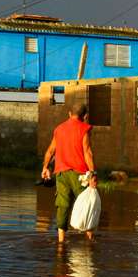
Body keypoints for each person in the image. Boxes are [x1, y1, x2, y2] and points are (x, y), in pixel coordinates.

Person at [40, 103, 96, 243]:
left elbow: (50, 151)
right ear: (85, 116)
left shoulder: (59, 129)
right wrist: (93, 173)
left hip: (61, 174)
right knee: (86, 204)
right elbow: (87, 152)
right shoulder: (84, 128)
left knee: (62, 205)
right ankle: (89, 240)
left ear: (69, 114)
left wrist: (45, 168)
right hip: (80, 174)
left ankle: (61, 241)